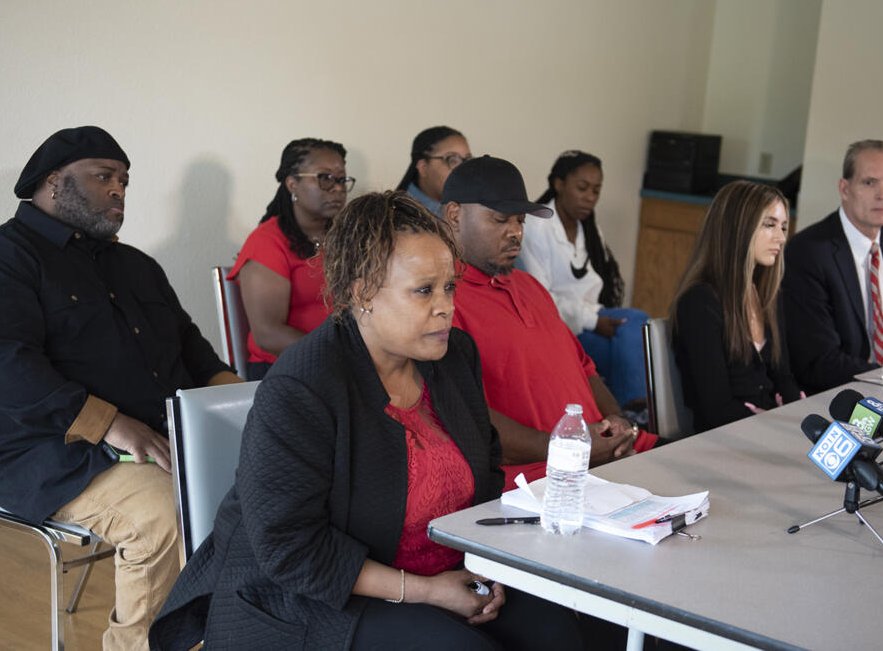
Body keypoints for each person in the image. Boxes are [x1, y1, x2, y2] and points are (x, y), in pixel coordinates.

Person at [149, 191, 585, 651]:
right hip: (311, 596)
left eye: (449, 287)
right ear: (363, 292)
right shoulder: (304, 386)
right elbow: (290, 549)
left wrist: (484, 566)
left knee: (563, 632)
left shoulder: (454, 355)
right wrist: (429, 591)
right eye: (423, 290)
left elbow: (486, 470)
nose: (445, 306)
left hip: (443, 571)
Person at [0, 126, 241, 649]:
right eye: (103, 177)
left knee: (273, 483)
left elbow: (192, 349)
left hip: (155, 439)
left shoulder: (135, 265)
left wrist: (243, 405)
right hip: (45, 449)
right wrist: (114, 426)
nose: (119, 189)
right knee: (164, 516)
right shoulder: (0, 259)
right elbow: (3, 367)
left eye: (124, 179)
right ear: (53, 182)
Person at [441, 156, 658, 490]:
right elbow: (474, 421)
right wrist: (570, 449)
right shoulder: (443, 301)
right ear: (455, 215)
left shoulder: (530, 287)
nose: (515, 232)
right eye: (500, 219)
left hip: (610, 455)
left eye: (520, 221)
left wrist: (618, 422)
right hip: (546, 479)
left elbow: (585, 368)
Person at [782, 140, 883, 394]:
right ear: (844, 189)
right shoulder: (809, 252)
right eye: (869, 182)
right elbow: (817, 362)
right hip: (831, 396)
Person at [517, 150, 649, 408]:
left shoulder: (586, 226)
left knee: (640, 322)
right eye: (582, 188)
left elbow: (593, 288)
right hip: (560, 326)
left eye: (596, 191)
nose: (590, 198)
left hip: (593, 316)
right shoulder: (535, 225)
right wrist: (594, 321)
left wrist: (597, 319)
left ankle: (629, 413)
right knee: (623, 353)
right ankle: (633, 414)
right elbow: (539, 297)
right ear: (559, 184)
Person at [669, 181, 802, 433]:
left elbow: (783, 377)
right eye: (770, 225)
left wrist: (799, 421)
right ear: (737, 228)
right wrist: (774, 427)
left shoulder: (766, 295)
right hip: (723, 440)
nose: (782, 238)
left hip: (764, 431)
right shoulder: (700, 302)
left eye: (783, 227)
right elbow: (715, 409)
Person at [228, 138, 355, 380]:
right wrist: (341, 355)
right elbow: (268, 334)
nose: (337, 188)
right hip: (289, 371)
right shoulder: (267, 242)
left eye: (341, 180)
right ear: (292, 184)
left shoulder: (345, 236)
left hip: (346, 364)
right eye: (325, 178)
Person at [397, 126, 472, 216]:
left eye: (467, 160)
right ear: (423, 167)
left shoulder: (468, 209)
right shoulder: (398, 215)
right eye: (452, 160)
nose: (463, 170)